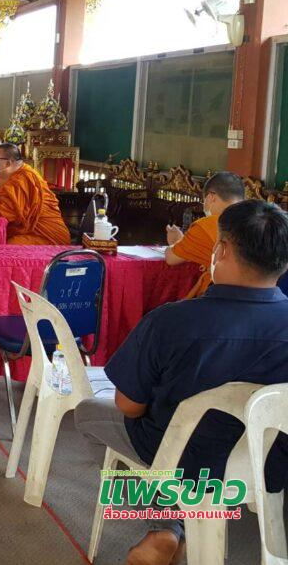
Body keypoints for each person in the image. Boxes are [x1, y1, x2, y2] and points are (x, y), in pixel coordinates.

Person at [74, 199, 288, 565]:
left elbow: (128, 405)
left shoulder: (170, 321)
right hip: (265, 463)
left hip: (181, 460)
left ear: (221, 251)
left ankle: (166, 525)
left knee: (87, 413)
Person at [164, 171, 244, 299]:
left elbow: (171, 258)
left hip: (220, 295)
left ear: (211, 197)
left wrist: (176, 240)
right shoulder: (256, 222)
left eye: (204, 200)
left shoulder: (207, 225)